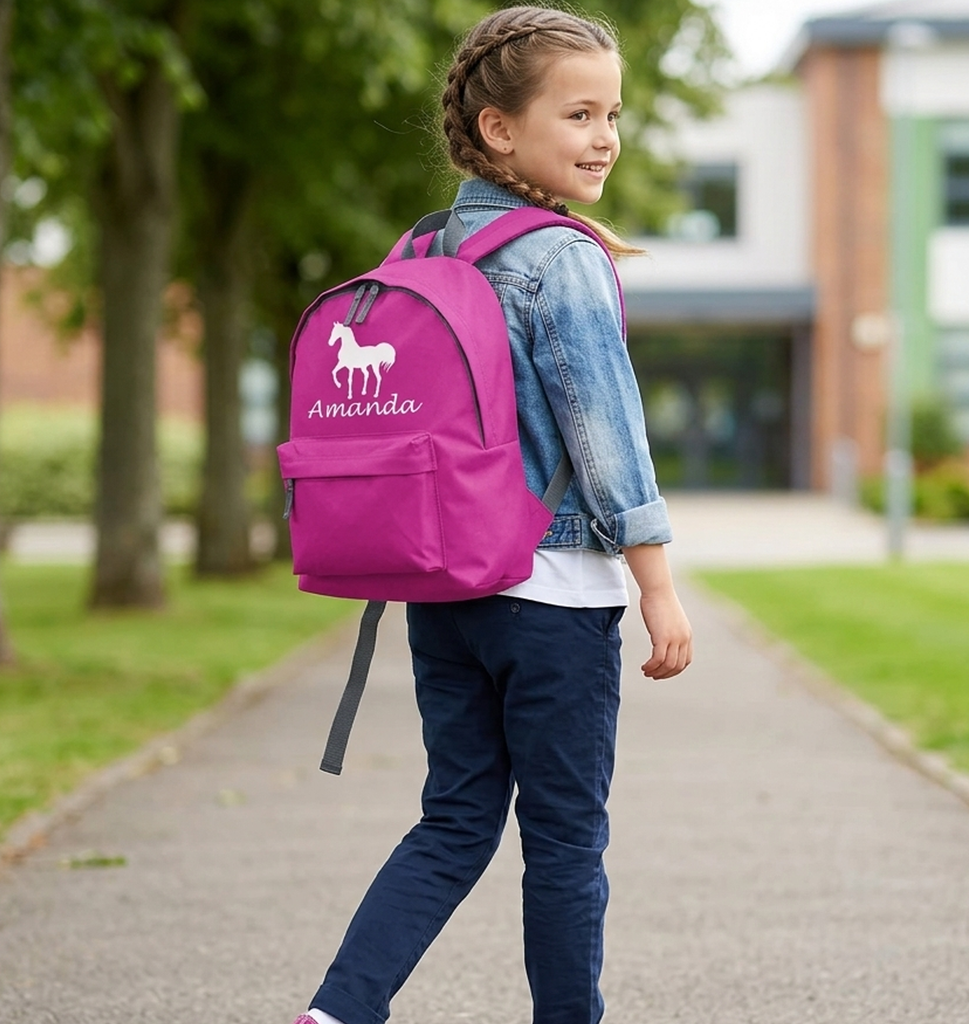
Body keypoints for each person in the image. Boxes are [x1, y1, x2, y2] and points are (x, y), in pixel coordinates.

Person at [291, 7, 694, 1024]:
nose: (605, 135)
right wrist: (656, 584)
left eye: (614, 112)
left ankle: (337, 1012)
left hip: (444, 584)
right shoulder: (560, 257)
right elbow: (606, 438)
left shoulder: (423, 244)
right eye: (578, 112)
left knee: (454, 818)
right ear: (500, 126)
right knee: (565, 839)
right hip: (553, 594)